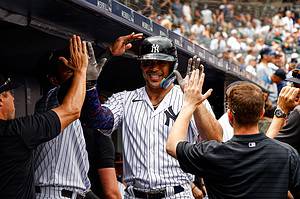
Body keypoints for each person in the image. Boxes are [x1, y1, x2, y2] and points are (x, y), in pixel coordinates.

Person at [82, 34, 222, 198]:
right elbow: (99, 122)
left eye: (161, 62)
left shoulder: (191, 98)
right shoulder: (125, 99)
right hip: (135, 194)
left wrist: (194, 102)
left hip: (176, 193)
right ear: (141, 66)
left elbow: (215, 140)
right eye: (148, 62)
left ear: (172, 65)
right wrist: (90, 87)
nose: (154, 68)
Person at [166, 75, 300, 198]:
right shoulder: (287, 154)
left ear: (230, 116)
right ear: (261, 113)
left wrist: (189, 104)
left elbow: (172, 146)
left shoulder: (212, 153)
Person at [0, 35, 88, 199]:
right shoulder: (15, 132)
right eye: (9, 93)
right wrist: (81, 70)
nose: (13, 98)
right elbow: (72, 109)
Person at [33, 40, 119, 198]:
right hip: (51, 193)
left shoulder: (77, 114)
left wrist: (108, 54)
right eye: (69, 69)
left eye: (77, 68)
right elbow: (71, 87)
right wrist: (109, 55)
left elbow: (82, 186)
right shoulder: (50, 101)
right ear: (53, 79)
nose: (78, 72)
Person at [267, 68, 300, 154]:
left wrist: (281, 108)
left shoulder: (298, 112)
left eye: (297, 86)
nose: (293, 89)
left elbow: (267, 148)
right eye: (293, 85)